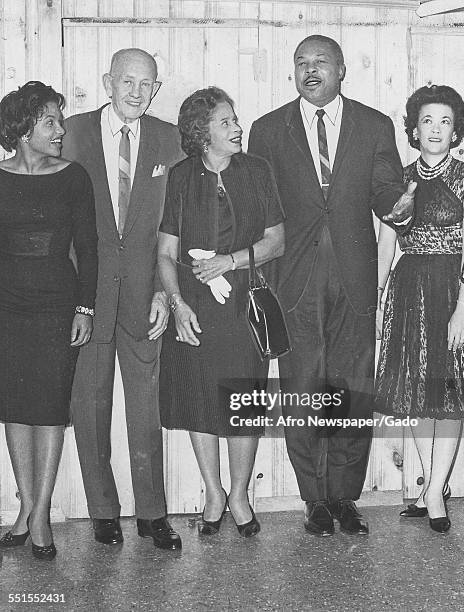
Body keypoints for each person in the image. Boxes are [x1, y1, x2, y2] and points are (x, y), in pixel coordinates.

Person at [248, 34, 415, 537]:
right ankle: (313, 499)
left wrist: (398, 207)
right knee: (303, 389)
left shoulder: (373, 124)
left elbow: (385, 189)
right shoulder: (268, 129)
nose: (310, 69)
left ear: (342, 70)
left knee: (353, 387)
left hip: (355, 275)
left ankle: (345, 496)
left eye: (320, 61)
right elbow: (263, 207)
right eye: (301, 63)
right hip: (293, 279)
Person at [62, 48, 183, 550]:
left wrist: (163, 291)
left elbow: (173, 226)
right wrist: (70, 296)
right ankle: (102, 512)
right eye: (127, 82)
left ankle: (153, 513)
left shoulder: (170, 140)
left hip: (143, 295)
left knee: (145, 407)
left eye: (146, 84)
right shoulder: (71, 133)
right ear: (107, 81)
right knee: (89, 407)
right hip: (86, 296)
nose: (136, 92)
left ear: (156, 88)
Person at [158, 87, 284, 537]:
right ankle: (213, 494)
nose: (237, 127)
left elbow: (276, 241)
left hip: (243, 304)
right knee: (199, 398)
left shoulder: (256, 170)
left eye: (235, 119)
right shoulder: (181, 177)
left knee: (243, 403)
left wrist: (228, 261)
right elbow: (166, 251)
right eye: (226, 121)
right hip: (195, 305)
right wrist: (177, 303)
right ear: (202, 132)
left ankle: (239, 496)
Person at [0, 81, 98, 560]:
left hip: (58, 306)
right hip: (7, 308)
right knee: (15, 407)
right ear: (22, 130)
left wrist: (85, 307)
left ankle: (41, 513)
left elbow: (90, 249)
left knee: (51, 409)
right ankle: (24, 506)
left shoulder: (73, 176)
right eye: (50, 122)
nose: (61, 130)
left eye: (60, 120)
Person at [376, 84, 464, 533]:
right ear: (414, 128)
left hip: (454, 289)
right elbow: (386, 242)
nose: (435, 129)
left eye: (445, 121)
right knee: (411, 390)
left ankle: (434, 492)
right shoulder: (400, 180)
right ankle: (431, 483)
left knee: (448, 392)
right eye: (427, 120)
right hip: (408, 287)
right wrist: (377, 299)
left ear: (456, 132)